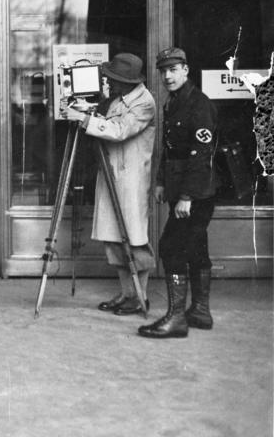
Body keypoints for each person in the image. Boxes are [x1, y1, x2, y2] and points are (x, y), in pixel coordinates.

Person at [61, 53, 156, 316]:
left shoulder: (144, 103)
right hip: (112, 174)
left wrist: (84, 120)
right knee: (114, 239)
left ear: (127, 80)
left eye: (113, 79)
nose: (109, 82)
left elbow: (119, 130)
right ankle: (127, 293)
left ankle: (140, 296)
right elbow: (107, 121)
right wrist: (88, 111)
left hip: (131, 180)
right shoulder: (117, 98)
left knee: (134, 239)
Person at [138, 47, 218, 339]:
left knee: (171, 248)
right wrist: (160, 181)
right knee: (196, 249)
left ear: (186, 69)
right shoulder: (173, 103)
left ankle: (176, 319)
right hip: (181, 190)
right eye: (163, 71)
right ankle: (199, 311)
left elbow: (200, 156)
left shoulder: (200, 105)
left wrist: (186, 197)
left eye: (173, 70)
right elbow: (169, 150)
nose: (167, 76)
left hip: (196, 195)